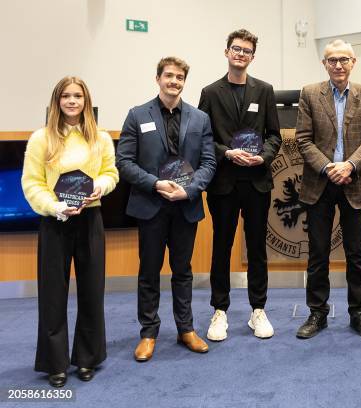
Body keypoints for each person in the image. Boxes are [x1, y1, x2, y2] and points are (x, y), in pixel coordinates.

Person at [116, 57, 216, 362]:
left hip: (185, 205)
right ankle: (148, 333)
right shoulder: (137, 115)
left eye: (179, 77)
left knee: (183, 271)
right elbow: (124, 162)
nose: (174, 81)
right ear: (158, 78)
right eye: (169, 76)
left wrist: (187, 189)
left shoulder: (200, 119)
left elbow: (209, 163)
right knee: (149, 272)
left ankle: (186, 329)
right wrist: (156, 184)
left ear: (185, 81)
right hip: (151, 205)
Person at [22, 76, 119, 387]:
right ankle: (56, 363)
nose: (72, 101)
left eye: (78, 96)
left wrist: (100, 187)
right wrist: (56, 207)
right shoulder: (41, 138)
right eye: (66, 96)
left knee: (92, 291)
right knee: (52, 294)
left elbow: (110, 172)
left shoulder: (100, 138)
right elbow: (32, 183)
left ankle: (86, 359)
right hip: (55, 222)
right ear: (56, 101)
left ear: (86, 101)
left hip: (91, 220)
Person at [198, 29, 281, 341]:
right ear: (227, 52)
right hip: (224, 182)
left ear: (252, 57)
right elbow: (202, 138)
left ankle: (258, 310)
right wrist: (226, 152)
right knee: (222, 246)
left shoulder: (264, 90)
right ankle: (219, 310)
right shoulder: (210, 92)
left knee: (257, 247)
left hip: (257, 182)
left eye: (247, 50)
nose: (241, 54)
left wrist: (264, 157)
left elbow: (274, 135)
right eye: (236, 49)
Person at [295, 39, 361, 339]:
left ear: (353, 62)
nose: (338, 65)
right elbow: (303, 139)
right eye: (332, 60)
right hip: (319, 183)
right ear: (324, 64)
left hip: (354, 183)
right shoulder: (309, 93)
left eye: (344, 59)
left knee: (356, 253)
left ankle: (358, 313)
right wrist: (329, 167)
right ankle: (317, 314)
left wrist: (349, 166)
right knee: (317, 253)